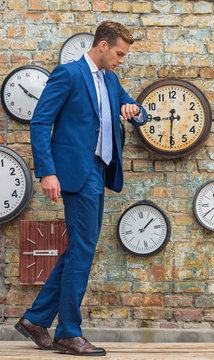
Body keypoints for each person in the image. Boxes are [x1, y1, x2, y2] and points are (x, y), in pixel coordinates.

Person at [15, 21, 147, 356]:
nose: (121, 60)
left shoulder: (111, 79)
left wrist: (134, 111)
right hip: (76, 172)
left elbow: (135, 109)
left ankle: (35, 319)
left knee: (80, 248)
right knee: (83, 249)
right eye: (119, 53)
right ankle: (68, 333)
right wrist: (47, 172)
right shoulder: (68, 74)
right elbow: (41, 121)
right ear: (102, 45)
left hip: (99, 170)